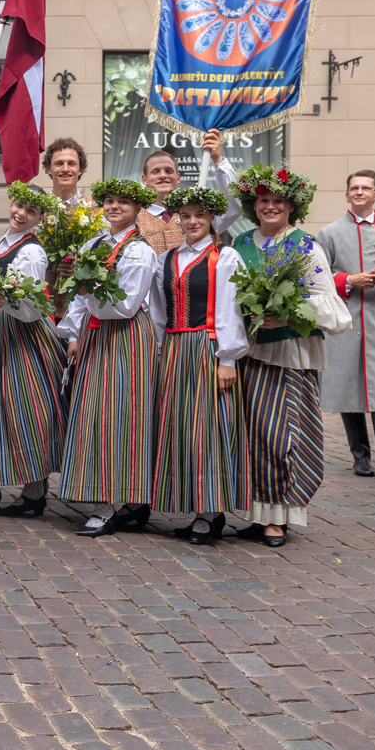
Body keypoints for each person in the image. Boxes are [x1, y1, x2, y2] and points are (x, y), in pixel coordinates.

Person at [218, 161, 351, 547]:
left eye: (278, 201)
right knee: (252, 435)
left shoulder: (306, 245)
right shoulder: (241, 245)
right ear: (253, 206)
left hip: (290, 354)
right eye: (263, 201)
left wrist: (288, 312)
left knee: (284, 436)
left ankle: (280, 517)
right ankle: (260, 514)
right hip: (249, 354)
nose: (270, 206)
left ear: (292, 205)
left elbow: (332, 307)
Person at [56, 178, 159, 538]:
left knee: (119, 415)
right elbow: (78, 296)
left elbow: (126, 304)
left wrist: (89, 292)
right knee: (92, 413)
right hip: (95, 333)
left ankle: (110, 504)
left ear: (138, 209)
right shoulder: (94, 244)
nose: (115, 207)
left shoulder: (140, 250)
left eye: (124, 202)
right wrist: (72, 334)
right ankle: (125, 501)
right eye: (110, 201)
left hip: (125, 336)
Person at [148, 186, 249, 545]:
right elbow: (158, 310)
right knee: (178, 427)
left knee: (206, 428)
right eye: (186, 215)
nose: (192, 221)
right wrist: (159, 350)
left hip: (207, 348)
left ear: (212, 219)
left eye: (200, 215)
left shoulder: (225, 257)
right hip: (175, 348)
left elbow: (230, 309)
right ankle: (192, 506)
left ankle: (211, 513)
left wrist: (227, 359)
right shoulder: (166, 258)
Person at [0, 182, 66, 519]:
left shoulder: (32, 252)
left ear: (40, 217)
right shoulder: (4, 242)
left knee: (28, 408)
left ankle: (35, 492)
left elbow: (33, 309)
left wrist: (5, 302)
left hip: (24, 337)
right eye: (19, 206)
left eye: (31, 211)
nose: (21, 214)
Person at [316, 169, 375, 479]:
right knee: (347, 384)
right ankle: (360, 457)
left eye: (366, 188)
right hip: (343, 319)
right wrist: (350, 279)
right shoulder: (329, 233)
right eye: (354, 188)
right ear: (347, 194)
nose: (360, 192)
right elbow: (317, 277)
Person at [135, 150, 185, 255]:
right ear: (144, 179)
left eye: (168, 171)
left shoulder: (195, 214)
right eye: (155, 171)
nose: (162, 175)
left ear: (178, 178)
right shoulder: (132, 217)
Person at [43, 137, 92, 207]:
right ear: (48, 169)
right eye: (59, 163)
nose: (65, 169)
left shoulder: (94, 208)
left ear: (80, 169)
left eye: (71, 164)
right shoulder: (39, 208)